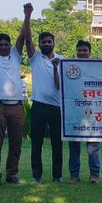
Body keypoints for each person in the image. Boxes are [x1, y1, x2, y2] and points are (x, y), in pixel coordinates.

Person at [0, 0, 30, 187]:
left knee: (16, 143)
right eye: (0, 45)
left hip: (16, 105)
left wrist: (27, 15)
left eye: (6, 44)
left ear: (10, 46)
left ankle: (12, 174)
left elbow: (23, 36)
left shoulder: (16, 55)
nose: (3, 47)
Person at [27, 26, 65, 184]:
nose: (46, 44)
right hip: (39, 106)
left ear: (54, 43)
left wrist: (56, 67)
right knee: (37, 142)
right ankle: (37, 175)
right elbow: (27, 39)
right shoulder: (35, 58)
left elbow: (59, 85)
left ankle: (57, 175)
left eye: (49, 41)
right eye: (43, 42)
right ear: (39, 44)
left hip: (57, 108)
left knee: (57, 143)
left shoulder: (62, 60)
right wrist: (27, 17)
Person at [68, 40, 102, 184]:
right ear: (76, 51)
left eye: (85, 50)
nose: (82, 53)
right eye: (80, 50)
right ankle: (74, 176)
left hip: (92, 113)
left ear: (89, 52)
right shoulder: (69, 68)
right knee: (74, 146)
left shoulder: (96, 68)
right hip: (74, 113)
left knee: (93, 146)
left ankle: (94, 175)